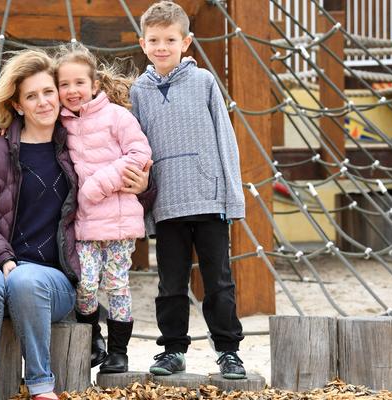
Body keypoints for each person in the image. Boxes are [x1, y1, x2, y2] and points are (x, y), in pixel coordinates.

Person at [0, 50, 151, 400]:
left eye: (48, 92)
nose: (43, 102)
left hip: (52, 278)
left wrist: (143, 184)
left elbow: (125, 178)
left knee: (27, 278)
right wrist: (4, 258)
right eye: (31, 96)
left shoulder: (75, 147)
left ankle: (40, 385)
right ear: (18, 105)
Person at [130, 1, 247, 379]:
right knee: (171, 284)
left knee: (219, 282)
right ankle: (173, 349)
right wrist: (146, 210)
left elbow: (225, 140)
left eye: (170, 39)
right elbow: (139, 150)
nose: (162, 46)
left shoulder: (204, 82)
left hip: (209, 198)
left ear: (186, 42)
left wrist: (232, 198)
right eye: (154, 40)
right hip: (167, 203)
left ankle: (229, 351)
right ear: (142, 43)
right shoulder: (139, 92)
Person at [55, 44, 152, 373]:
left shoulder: (117, 117)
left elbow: (139, 155)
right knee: (85, 284)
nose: (72, 91)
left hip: (119, 222)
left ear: (94, 84)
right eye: (64, 84)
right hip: (84, 225)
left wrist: (98, 185)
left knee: (117, 284)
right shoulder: (60, 125)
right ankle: (93, 339)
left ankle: (118, 351)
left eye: (79, 83)